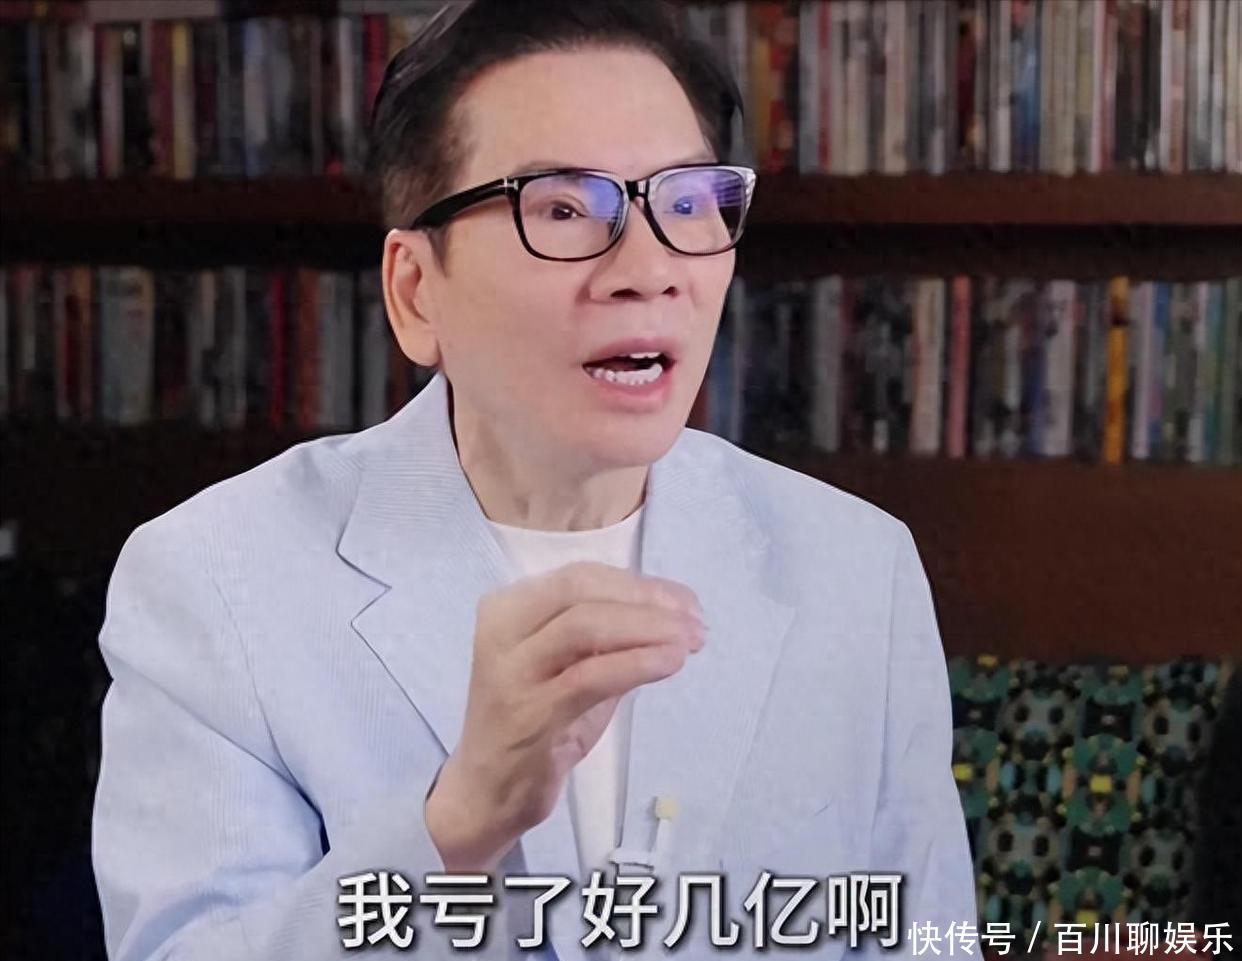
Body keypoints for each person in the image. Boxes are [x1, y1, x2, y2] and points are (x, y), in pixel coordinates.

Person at [91, 2, 977, 959]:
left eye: (688, 202)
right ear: (415, 291)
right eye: (561, 209)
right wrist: (456, 824)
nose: (650, 270)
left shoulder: (857, 567)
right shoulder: (214, 582)